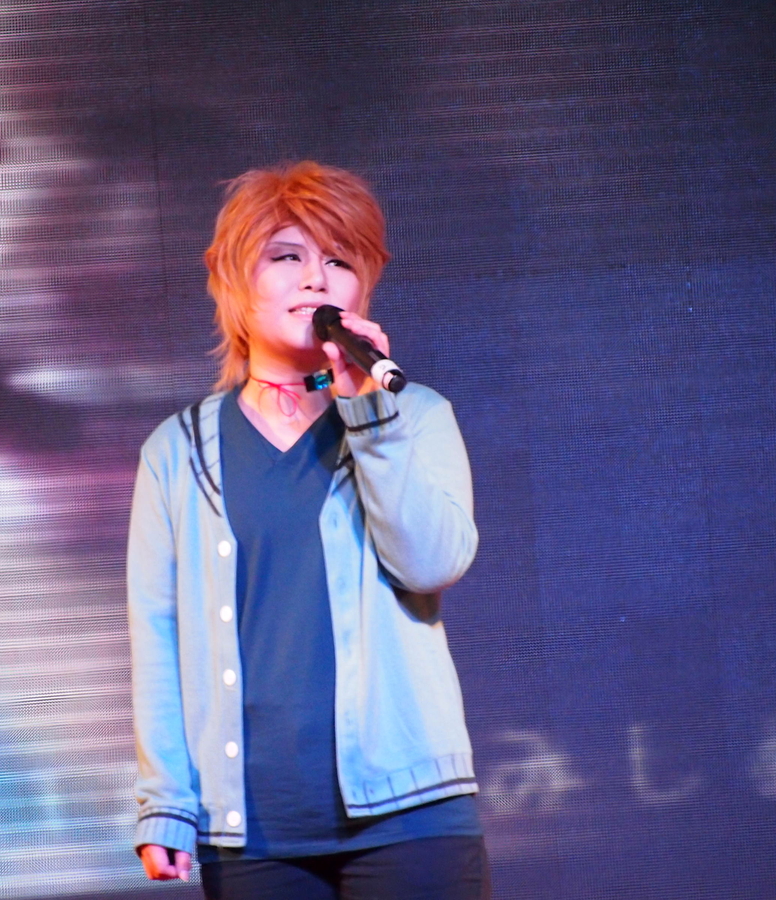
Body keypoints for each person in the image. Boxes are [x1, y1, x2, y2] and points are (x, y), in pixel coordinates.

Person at [128, 161, 489, 899]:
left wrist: (371, 418)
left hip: (411, 816)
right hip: (254, 833)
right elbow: (158, 634)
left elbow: (432, 563)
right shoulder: (176, 451)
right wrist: (165, 800)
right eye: (286, 256)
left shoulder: (416, 417)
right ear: (236, 280)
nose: (316, 279)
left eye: (340, 262)